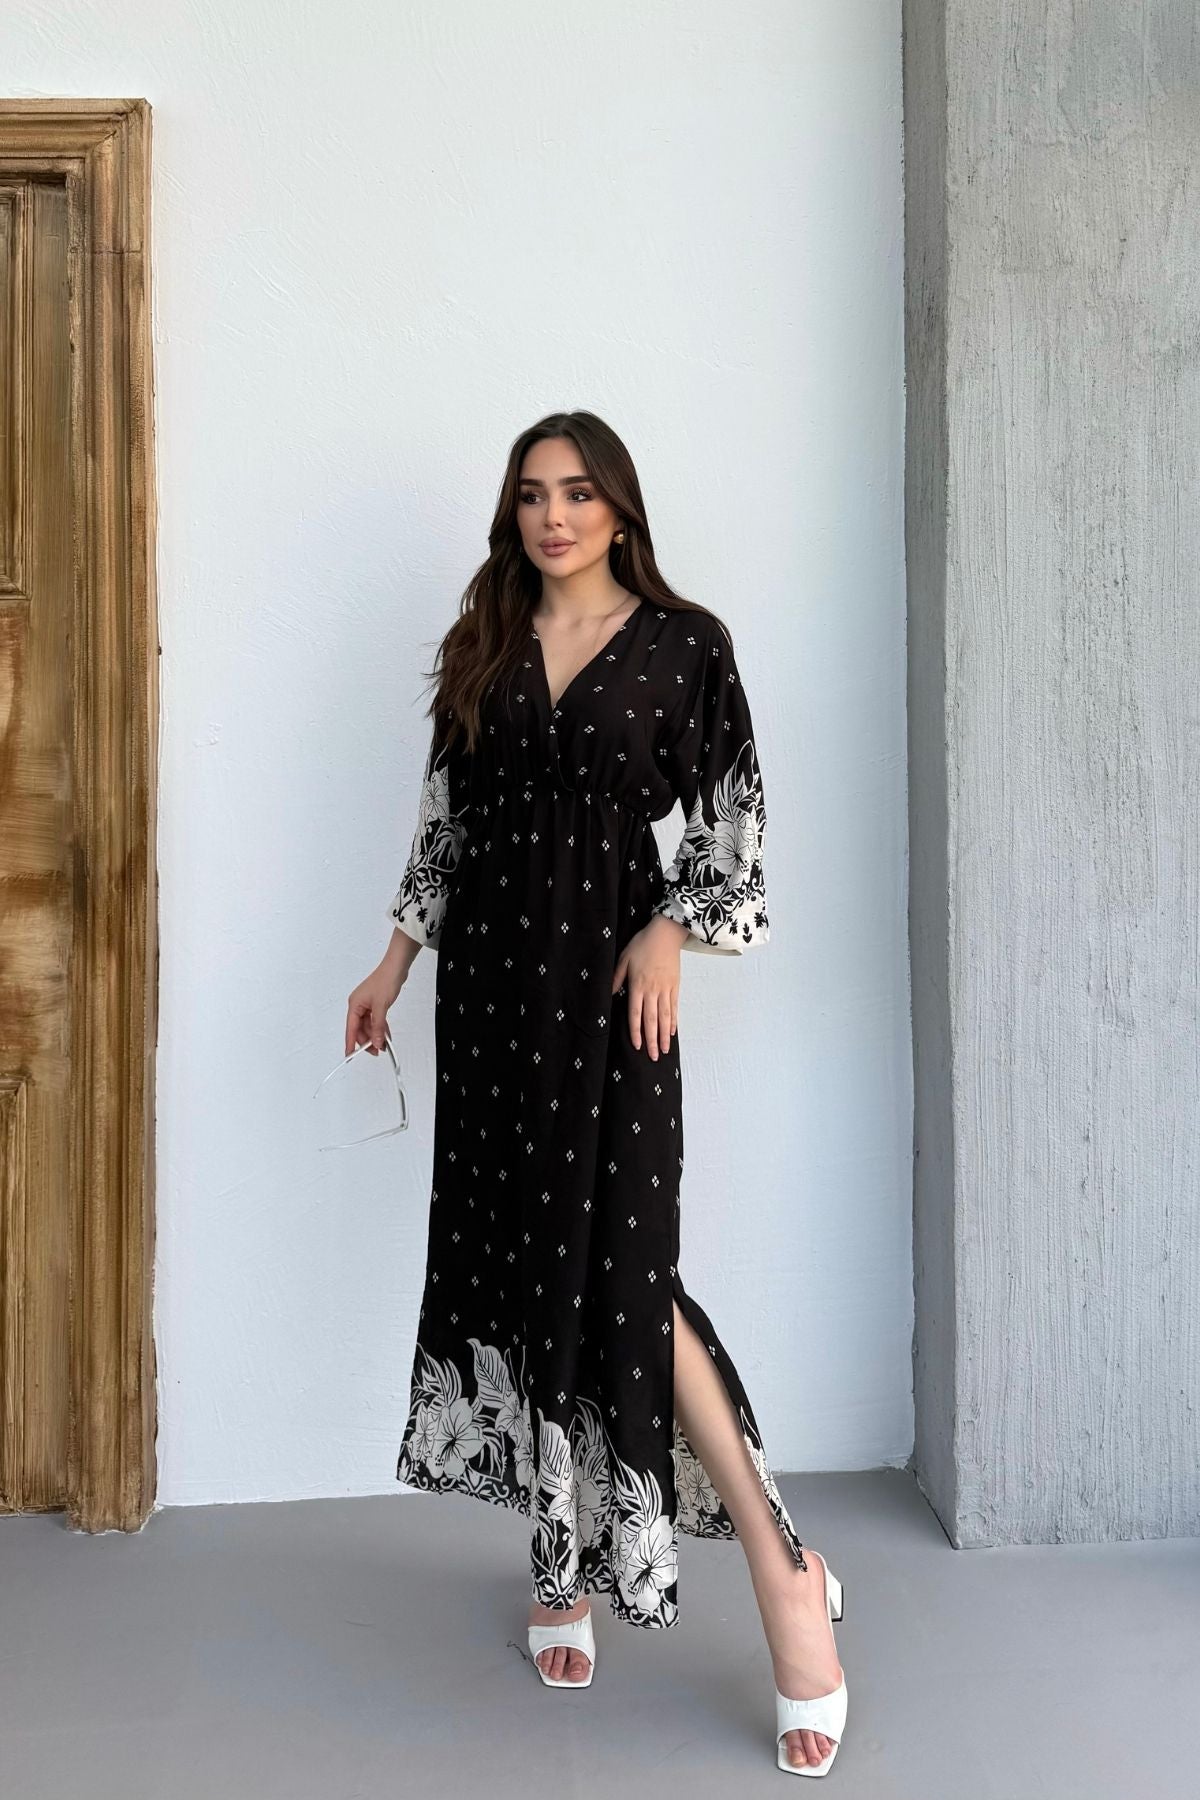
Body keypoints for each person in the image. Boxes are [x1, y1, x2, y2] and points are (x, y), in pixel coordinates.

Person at [345, 411, 848, 1775]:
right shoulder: (487, 640)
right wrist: (393, 963)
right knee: (526, 1263)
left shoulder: (687, 646)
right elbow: (446, 820)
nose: (553, 516)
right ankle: (558, 1562)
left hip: (613, 991)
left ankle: (785, 1575)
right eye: (531, 495)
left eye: (577, 493)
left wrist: (672, 927)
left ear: (620, 508)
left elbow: (735, 823)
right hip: (490, 997)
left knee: (627, 1278)